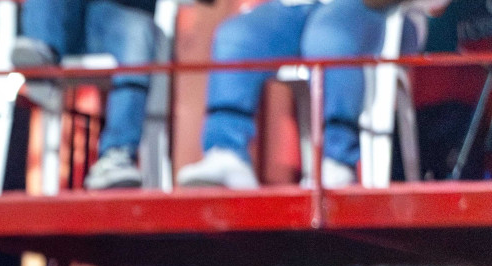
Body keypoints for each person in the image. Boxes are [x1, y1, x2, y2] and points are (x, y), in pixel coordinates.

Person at [175, 0, 416, 188]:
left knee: (327, 38)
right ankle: (227, 152)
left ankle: (338, 160)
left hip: (363, 8)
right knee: (236, 36)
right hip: (294, 7)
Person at [11, 0, 166, 189]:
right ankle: (40, 55)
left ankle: (117, 156)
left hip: (122, 13)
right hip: (62, 18)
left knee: (136, 33)